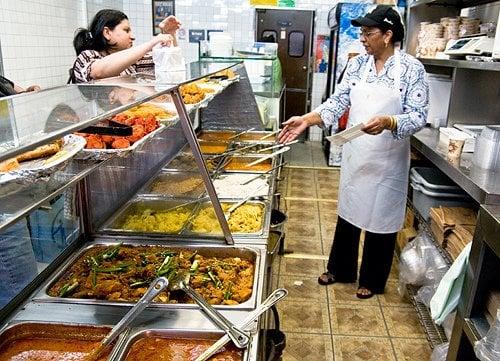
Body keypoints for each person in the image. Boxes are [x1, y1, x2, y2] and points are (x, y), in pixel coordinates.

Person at [278, 5, 429, 299]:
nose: (362, 38)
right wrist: (307, 119)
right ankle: (341, 269)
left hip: (388, 157)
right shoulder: (358, 64)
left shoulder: (412, 69)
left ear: (387, 35)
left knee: (381, 218)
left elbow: (419, 115)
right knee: (349, 211)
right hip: (358, 153)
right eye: (361, 32)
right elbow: (339, 101)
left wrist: (390, 121)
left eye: (368, 32)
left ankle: (372, 279)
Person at [70, 9, 181, 83]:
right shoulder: (87, 57)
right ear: (107, 33)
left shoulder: (133, 62)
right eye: (126, 30)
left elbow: (170, 64)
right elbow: (98, 72)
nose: (132, 36)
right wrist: (151, 43)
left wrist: (170, 33)